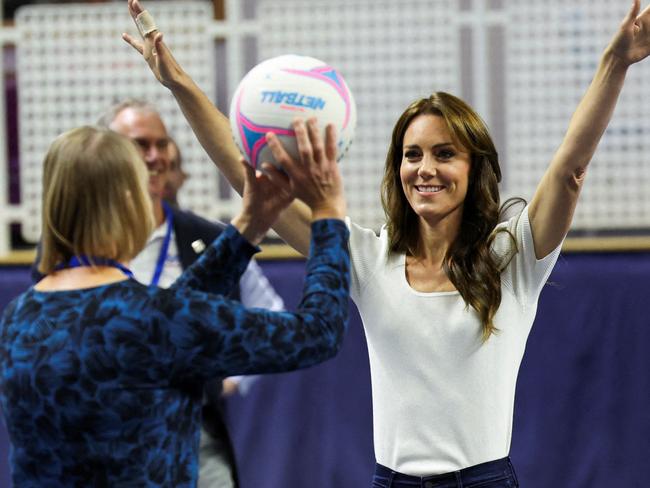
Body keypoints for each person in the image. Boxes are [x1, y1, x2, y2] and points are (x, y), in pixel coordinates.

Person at [125, 0, 650, 484]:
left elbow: (569, 170)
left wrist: (616, 63)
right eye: (412, 154)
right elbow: (250, 183)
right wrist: (179, 84)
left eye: (445, 154)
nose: (425, 169)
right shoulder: (369, 258)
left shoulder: (510, 255)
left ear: (475, 169)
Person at [0, 124, 349, 487]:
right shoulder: (158, 322)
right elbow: (318, 332)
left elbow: (160, 321)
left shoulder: (20, 316)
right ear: (129, 204)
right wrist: (327, 214)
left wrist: (248, 227)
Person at [98, 100, 285, 488]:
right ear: (108, 156)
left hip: (195, 438)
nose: (153, 156)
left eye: (161, 144)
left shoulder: (210, 238)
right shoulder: (81, 242)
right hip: (106, 437)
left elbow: (273, 318)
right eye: (139, 145)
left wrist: (226, 380)